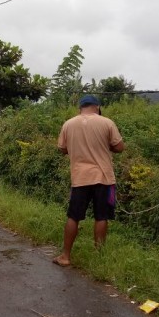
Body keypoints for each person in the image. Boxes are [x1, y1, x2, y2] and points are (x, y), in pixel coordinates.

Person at [53, 94, 124, 267]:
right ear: (97, 107)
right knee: (101, 216)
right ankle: (99, 258)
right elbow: (120, 147)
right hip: (104, 178)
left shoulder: (68, 124)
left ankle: (65, 256)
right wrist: (104, 146)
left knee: (73, 216)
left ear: (80, 108)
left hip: (80, 178)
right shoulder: (107, 122)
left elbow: (62, 149)